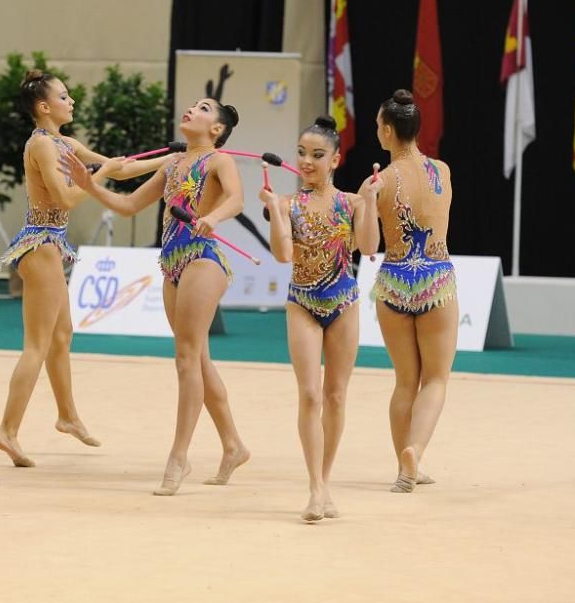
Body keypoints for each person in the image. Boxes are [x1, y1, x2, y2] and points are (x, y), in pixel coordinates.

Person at [65, 97, 250, 496]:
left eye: (202, 109)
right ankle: (233, 445)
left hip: (204, 258)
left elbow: (236, 199)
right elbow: (129, 205)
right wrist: (89, 185)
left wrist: (212, 218)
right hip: (173, 262)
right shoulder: (173, 164)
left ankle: (179, 457)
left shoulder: (219, 161)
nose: (191, 110)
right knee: (197, 357)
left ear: (216, 129)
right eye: (193, 106)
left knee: (186, 355)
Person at [0, 70, 164, 468]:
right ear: (44, 107)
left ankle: (67, 415)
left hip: (50, 244)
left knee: (61, 336)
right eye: (64, 96)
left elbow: (119, 168)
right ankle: (8, 430)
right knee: (37, 344)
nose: (71, 102)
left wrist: (172, 160)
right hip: (41, 244)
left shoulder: (63, 142)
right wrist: (97, 176)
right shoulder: (42, 146)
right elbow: (68, 198)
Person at [259, 115, 381, 522]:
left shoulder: (351, 202)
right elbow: (282, 255)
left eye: (316, 155)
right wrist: (275, 210)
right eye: (300, 153)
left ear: (335, 159)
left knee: (336, 395)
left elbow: (368, 245)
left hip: (343, 302)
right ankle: (314, 487)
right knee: (310, 394)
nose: (306, 161)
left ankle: (325, 481)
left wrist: (371, 201)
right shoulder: (290, 204)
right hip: (303, 303)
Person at [371, 89, 457, 494]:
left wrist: (366, 201)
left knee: (406, 381)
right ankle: (415, 453)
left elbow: (366, 246)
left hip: (394, 280)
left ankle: (405, 466)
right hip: (436, 280)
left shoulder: (380, 181)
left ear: (387, 131)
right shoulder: (442, 170)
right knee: (436, 380)